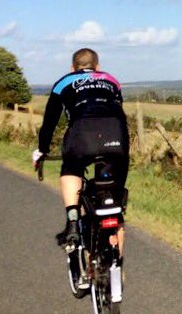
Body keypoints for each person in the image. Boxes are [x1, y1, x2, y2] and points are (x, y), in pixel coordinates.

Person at [33, 48, 130, 250]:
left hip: (81, 133)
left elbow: (49, 121)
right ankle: (116, 268)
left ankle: (73, 221)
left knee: (71, 168)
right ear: (97, 67)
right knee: (113, 200)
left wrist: (42, 150)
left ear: (72, 68)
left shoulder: (63, 83)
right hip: (116, 135)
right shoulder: (111, 80)